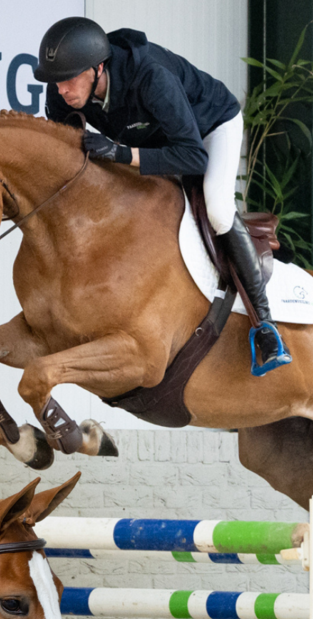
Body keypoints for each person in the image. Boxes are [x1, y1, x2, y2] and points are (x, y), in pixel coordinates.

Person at [34, 17, 291, 376]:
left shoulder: (151, 77)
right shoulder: (63, 88)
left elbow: (192, 157)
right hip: (156, 139)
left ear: (98, 68)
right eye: (56, 80)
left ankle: (266, 326)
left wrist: (121, 153)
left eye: (70, 77)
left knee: (217, 206)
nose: (62, 89)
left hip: (209, 130)